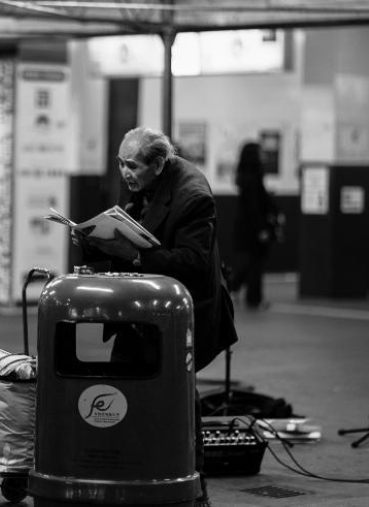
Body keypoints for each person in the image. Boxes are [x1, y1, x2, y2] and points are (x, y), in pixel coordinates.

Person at [73, 126, 237, 507]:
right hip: (142, 309)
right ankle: (136, 473)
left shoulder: (194, 196)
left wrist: (130, 255)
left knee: (178, 396)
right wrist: (92, 242)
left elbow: (193, 264)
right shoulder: (137, 181)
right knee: (137, 387)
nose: (124, 172)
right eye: (120, 163)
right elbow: (128, 231)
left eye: (132, 165)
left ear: (159, 164)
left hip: (189, 311)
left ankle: (194, 490)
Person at [229, 142, 280, 310]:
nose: (263, 155)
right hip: (253, 226)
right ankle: (253, 298)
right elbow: (254, 206)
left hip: (245, 225)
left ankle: (236, 287)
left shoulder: (244, 175)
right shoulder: (253, 176)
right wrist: (262, 229)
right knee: (255, 263)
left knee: (251, 262)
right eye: (260, 152)